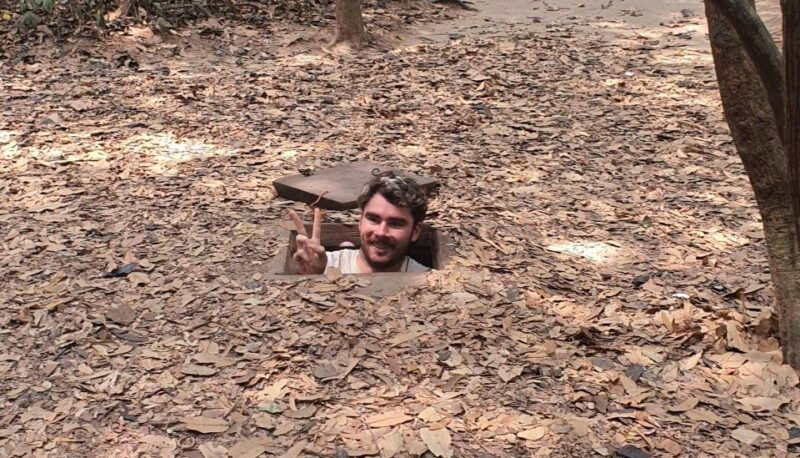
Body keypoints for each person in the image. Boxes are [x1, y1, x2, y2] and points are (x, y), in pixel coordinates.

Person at [288, 171, 430, 274]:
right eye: (373, 219)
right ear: (360, 221)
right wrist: (312, 277)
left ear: (415, 231)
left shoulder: (429, 280)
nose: (381, 232)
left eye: (395, 224)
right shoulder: (324, 265)